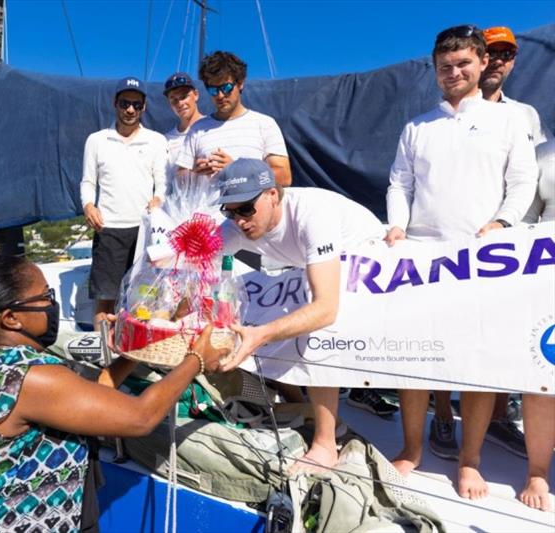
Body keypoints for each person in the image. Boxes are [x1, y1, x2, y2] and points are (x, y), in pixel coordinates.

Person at [0, 255, 228, 531]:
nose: (53, 305)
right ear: (12, 318)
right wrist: (196, 360)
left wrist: (140, 344)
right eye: (46, 297)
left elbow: (91, 397)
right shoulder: (27, 377)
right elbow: (141, 417)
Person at [384, 25, 537, 500]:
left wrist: (502, 224)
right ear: (435, 70)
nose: (454, 73)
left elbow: (523, 182)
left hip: (482, 260)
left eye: (463, 64)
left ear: (481, 63)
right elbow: (399, 186)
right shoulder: (416, 127)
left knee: (478, 366)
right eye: (445, 66)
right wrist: (396, 228)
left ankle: (470, 462)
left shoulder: (510, 122)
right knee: (413, 362)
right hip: (422, 260)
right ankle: (412, 448)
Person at [215, 158, 386, 471]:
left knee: (314, 325)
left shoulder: (311, 215)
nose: (239, 220)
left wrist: (260, 335)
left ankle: (325, 443)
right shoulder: (240, 223)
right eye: (230, 211)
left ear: (272, 195)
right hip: (309, 264)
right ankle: (304, 405)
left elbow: (325, 309)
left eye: (245, 209)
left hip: (370, 258)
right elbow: (182, 255)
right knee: (255, 316)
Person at [479, 25, 552, 459]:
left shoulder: (526, 114)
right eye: (492, 52)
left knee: (511, 330)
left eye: (507, 54)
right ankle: (448, 421)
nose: (500, 60)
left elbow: (536, 174)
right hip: (465, 234)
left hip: (515, 235)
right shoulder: (450, 110)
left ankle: (501, 417)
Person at [81, 77, 168, 329]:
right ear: (115, 103)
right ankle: (105, 358)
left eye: (136, 105)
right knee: (105, 300)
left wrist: (158, 199)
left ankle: (137, 354)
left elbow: (163, 184)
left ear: (144, 107)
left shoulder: (156, 141)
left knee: (145, 298)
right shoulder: (96, 140)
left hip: (145, 231)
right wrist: (88, 206)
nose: (130, 110)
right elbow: (88, 182)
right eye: (125, 103)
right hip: (109, 229)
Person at [175, 51, 291, 186]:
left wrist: (237, 171)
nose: (220, 95)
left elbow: (284, 176)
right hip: (207, 207)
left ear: (240, 83)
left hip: (250, 207)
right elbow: (179, 179)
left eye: (226, 87)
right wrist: (196, 173)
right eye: (213, 90)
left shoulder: (264, 124)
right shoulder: (197, 129)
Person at [519, 138, 555, 511]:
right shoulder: (543, 155)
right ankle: (538, 470)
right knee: (544, 375)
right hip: (548, 277)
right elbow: (526, 221)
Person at [162, 72, 205, 191]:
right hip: (177, 206)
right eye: (174, 100)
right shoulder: (167, 140)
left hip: (211, 206)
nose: (180, 103)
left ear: (196, 95)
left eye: (184, 96)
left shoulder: (213, 128)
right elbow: (166, 180)